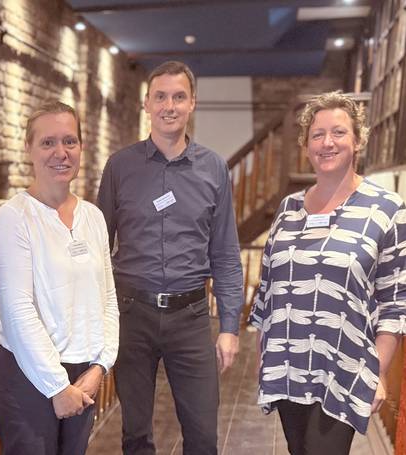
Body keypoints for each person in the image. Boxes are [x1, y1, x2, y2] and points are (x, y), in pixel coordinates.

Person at [248, 91, 406, 455]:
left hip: (345, 364)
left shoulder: (386, 209)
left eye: (338, 133)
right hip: (287, 361)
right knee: (299, 450)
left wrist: (378, 371)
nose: (327, 143)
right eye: (317, 135)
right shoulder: (289, 209)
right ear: (306, 145)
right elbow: (269, 290)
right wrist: (263, 357)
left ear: (358, 140)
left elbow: (395, 303)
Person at [97, 61, 245, 455]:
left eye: (179, 96)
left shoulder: (213, 168)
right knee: (135, 435)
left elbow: (227, 254)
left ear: (192, 103)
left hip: (191, 317)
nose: (169, 105)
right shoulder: (120, 167)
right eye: (160, 96)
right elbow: (97, 250)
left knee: (202, 436)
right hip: (132, 316)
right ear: (146, 104)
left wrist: (230, 326)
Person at [0, 101, 119, 455]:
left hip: (82, 377)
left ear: (81, 147)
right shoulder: (14, 218)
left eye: (70, 141)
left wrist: (100, 366)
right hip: (27, 377)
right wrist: (57, 386)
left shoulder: (93, 217)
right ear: (28, 147)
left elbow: (108, 299)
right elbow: (17, 311)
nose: (60, 152)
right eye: (47, 143)